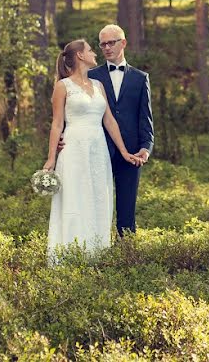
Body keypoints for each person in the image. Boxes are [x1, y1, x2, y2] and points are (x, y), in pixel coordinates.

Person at [43, 39, 141, 261]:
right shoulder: (63, 86)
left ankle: (95, 254)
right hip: (74, 148)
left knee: (98, 197)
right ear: (79, 55)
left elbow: (110, 121)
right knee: (75, 198)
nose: (94, 53)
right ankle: (68, 254)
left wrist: (124, 152)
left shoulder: (98, 86)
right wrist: (51, 158)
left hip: (98, 150)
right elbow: (57, 123)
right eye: (89, 50)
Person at [61, 24, 153, 236]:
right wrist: (64, 138)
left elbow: (145, 119)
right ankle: (90, 250)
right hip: (95, 150)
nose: (106, 48)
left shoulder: (140, 78)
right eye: (102, 44)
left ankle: (127, 255)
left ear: (123, 43)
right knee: (93, 204)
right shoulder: (90, 75)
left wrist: (145, 148)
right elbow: (74, 108)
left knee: (127, 209)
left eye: (111, 43)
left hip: (130, 152)